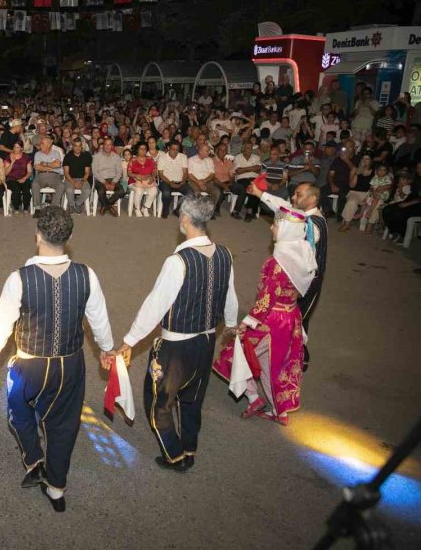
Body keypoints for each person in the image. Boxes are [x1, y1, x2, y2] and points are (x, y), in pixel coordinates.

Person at [0, 207, 116, 511]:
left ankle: (33, 459)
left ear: (37, 234)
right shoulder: (86, 275)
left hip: (29, 364)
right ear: (70, 237)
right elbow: (99, 320)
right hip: (70, 364)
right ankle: (56, 488)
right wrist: (107, 347)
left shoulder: (19, 278)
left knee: (18, 411)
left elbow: (1, 325)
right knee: (64, 425)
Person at [115, 196, 237, 471]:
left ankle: (174, 455)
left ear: (184, 220)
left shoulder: (178, 261)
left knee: (158, 401)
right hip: (206, 341)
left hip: (176, 348)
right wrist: (229, 323)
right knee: (193, 398)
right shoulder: (224, 254)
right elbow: (230, 295)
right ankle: (190, 447)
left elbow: (156, 304)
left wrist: (129, 340)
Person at [213, 206, 316, 426]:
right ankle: (281, 411)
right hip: (291, 316)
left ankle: (253, 397)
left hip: (271, 320)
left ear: (287, 230)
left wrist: (247, 322)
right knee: (277, 364)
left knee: (238, 353)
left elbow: (267, 298)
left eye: (276, 224)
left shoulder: (277, 262)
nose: (271, 227)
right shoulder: (305, 253)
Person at [249, 182, 328, 371]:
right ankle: (283, 350)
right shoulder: (300, 214)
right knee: (286, 315)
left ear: (312, 199)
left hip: (309, 280)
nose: (294, 197)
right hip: (292, 276)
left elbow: (297, 233)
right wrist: (260, 193)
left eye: (299, 195)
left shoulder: (313, 224)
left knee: (299, 318)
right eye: (294, 194)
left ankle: (300, 356)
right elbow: (282, 206)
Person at [31, 134, 65, 216]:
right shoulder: (37, 154)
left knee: (61, 186)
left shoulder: (55, 153)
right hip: (41, 176)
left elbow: (57, 165)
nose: (40, 145)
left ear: (48, 145)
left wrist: (45, 164)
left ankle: (53, 208)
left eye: (42, 143)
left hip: (54, 176)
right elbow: (37, 167)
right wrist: (50, 166)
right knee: (34, 184)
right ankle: (38, 208)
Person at [338, 154, 374, 232]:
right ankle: (347, 224)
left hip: (368, 193)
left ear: (371, 161)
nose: (365, 161)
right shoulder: (355, 169)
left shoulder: (374, 172)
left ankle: (345, 220)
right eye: (363, 158)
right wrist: (357, 173)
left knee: (370, 202)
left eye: (367, 159)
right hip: (354, 192)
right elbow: (351, 185)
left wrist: (368, 195)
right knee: (351, 202)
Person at [157, 141, 189, 218]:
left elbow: (185, 172)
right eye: (173, 149)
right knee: (166, 193)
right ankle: (166, 209)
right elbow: (161, 174)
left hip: (180, 181)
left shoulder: (183, 157)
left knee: (190, 194)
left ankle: (178, 209)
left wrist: (183, 181)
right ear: (168, 148)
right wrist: (170, 182)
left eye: (177, 149)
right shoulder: (162, 158)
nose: (175, 151)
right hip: (166, 181)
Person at [187, 144, 222, 216]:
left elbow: (212, 174)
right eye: (207, 151)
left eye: (208, 150)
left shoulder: (209, 160)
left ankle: (209, 212)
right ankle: (196, 213)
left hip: (206, 182)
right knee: (197, 192)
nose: (209, 152)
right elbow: (189, 175)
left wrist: (203, 181)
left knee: (216, 192)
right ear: (200, 151)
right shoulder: (191, 160)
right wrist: (199, 182)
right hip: (194, 181)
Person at [359, 164, 393, 233]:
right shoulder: (375, 177)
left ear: (386, 172)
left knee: (376, 206)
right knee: (366, 201)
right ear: (377, 171)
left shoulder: (387, 178)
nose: (382, 172)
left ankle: (369, 225)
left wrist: (380, 189)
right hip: (373, 193)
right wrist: (373, 191)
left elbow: (389, 186)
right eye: (380, 170)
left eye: (384, 170)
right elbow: (371, 187)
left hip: (382, 195)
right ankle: (362, 217)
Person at [128, 142, 158, 217]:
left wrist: (153, 177)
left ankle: (145, 207)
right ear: (137, 150)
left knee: (154, 191)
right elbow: (129, 173)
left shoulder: (150, 159)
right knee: (139, 191)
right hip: (134, 181)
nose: (143, 151)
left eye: (145, 149)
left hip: (148, 180)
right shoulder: (133, 160)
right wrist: (137, 175)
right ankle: (137, 208)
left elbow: (154, 170)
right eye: (141, 149)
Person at [62, 138, 92, 215]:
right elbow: (66, 173)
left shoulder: (86, 156)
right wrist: (74, 182)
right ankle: (71, 205)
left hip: (83, 178)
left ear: (82, 146)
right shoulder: (68, 156)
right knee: (69, 190)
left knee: (87, 191)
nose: (77, 148)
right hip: (70, 178)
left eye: (79, 146)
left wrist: (82, 182)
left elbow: (87, 173)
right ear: (72, 146)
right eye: (76, 146)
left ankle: (78, 203)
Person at [4, 140, 32, 214]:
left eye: (17, 147)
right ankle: (16, 207)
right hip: (11, 179)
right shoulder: (8, 157)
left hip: (24, 178)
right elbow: (6, 173)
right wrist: (12, 162)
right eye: (14, 147)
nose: (15, 149)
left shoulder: (26, 157)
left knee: (26, 189)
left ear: (22, 148)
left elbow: (29, 171)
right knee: (16, 189)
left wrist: (24, 178)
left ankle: (26, 207)